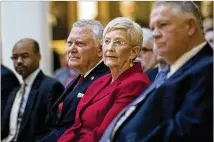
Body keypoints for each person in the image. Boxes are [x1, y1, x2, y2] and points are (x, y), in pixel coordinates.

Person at [100, 2, 213, 142]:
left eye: (163, 25)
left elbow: (184, 134)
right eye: (152, 28)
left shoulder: (207, 70)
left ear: (190, 26)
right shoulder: (171, 70)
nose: (155, 34)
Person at [58, 17, 150, 142]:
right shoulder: (101, 81)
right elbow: (76, 127)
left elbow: (105, 132)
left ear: (134, 52)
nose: (110, 48)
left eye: (119, 42)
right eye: (107, 41)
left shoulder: (136, 83)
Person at [37, 19, 110, 142]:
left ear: (100, 50)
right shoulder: (83, 75)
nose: (72, 49)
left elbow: (72, 128)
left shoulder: (104, 79)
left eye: (80, 44)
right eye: (69, 43)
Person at [1, 38, 65, 142]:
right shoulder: (15, 92)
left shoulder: (51, 87)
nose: (19, 61)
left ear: (38, 57)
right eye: (15, 57)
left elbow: (55, 131)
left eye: (24, 56)